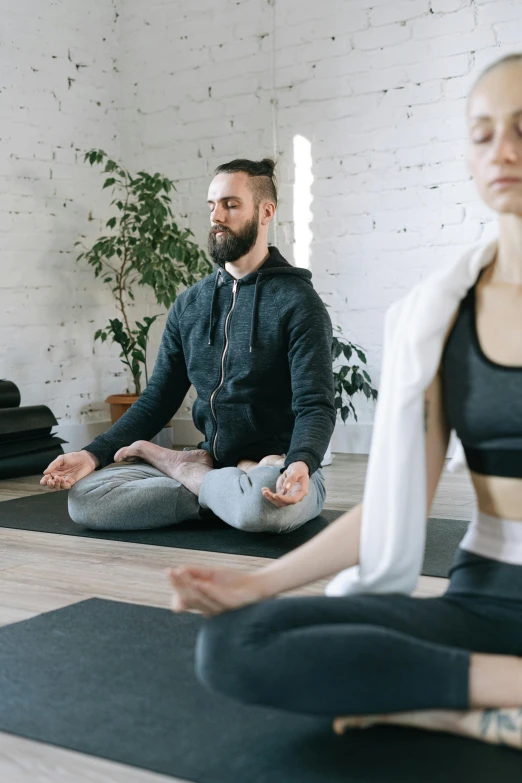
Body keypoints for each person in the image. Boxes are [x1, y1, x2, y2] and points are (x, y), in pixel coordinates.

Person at [168, 54, 522, 749]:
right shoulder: (445, 315)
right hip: (483, 601)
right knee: (238, 641)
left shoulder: (295, 298)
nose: (502, 150)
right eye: (483, 134)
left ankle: (441, 697)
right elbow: (392, 505)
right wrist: (257, 585)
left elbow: (314, 408)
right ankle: (482, 696)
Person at [41, 159, 335, 534]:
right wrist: (91, 454)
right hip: (213, 461)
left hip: (280, 465)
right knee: (86, 500)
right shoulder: (191, 304)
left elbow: (315, 405)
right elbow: (158, 399)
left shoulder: (298, 302)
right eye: (212, 206)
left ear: (265, 212)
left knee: (265, 508)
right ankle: (217, 488)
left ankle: (199, 478)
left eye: (230, 205)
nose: (217, 217)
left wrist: (300, 463)